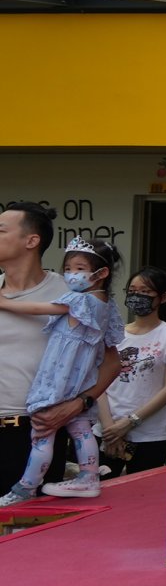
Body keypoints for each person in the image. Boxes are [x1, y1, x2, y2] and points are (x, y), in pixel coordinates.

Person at [0, 237, 120, 504]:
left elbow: (40, 308)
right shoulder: (106, 305)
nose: (71, 275)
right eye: (68, 268)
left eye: (79, 269)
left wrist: (5, 303)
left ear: (101, 274)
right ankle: (89, 475)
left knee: (42, 433)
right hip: (80, 378)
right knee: (80, 427)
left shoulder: (82, 301)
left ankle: (26, 486)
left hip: (60, 376)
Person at [0, 201, 76, 494]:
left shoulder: (68, 293)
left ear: (32, 241)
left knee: (32, 531)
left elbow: (109, 361)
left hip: (37, 431)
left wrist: (78, 404)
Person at [99, 267, 166, 477]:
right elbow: (99, 383)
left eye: (145, 292)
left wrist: (128, 423)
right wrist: (110, 429)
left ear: (163, 297)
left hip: (151, 435)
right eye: (132, 290)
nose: (137, 296)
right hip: (106, 431)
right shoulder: (113, 333)